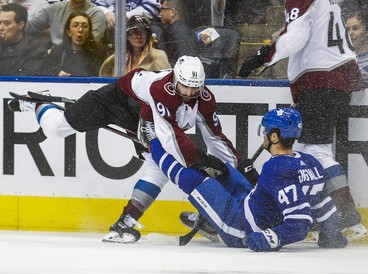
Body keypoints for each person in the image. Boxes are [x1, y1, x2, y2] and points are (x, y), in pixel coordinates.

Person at [8, 55, 255, 244]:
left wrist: (238, 165)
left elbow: (215, 137)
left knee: (158, 169)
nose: (190, 93)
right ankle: (39, 104)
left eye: (195, 88)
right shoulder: (163, 90)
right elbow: (171, 137)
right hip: (113, 101)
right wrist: (200, 160)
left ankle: (125, 222)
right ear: (175, 80)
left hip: (143, 114)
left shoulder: (203, 98)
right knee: (56, 129)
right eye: (185, 87)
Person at [238, 0, 368, 241]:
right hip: (338, 77)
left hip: (321, 79)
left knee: (317, 151)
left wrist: (262, 56)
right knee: (310, 149)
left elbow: (295, 38)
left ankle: (348, 217)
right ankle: (325, 216)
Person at [147, 108, 348, 251]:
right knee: (224, 169)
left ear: (275, 137)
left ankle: (151, 141)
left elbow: (300, 223)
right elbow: (324, 206)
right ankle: (207, 217)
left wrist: (270, 239)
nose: (264, 137)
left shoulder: (277, 167)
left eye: (266, 132)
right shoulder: (311, 161)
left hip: (239, 225)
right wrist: (332, 234)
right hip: (250, 204)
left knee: (194, 180)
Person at [99, 15, 170, 77]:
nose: (138, 36)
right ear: (127, 36)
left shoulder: (158, 56)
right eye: (134, 32)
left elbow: (166, 83)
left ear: (147, 35)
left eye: (142, 32)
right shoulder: (115, 59)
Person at [41, 11, 106, 77]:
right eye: (75, 25)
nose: (80, 30)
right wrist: (57, 72)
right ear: (68, 32)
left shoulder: (99, 53)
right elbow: (46, 72)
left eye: (85, 26)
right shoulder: (58, 51)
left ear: (88, 33)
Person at [24, 0, 106, 48]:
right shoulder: (56, 8)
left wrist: (55, 53)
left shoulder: (96, 13)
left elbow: (91, 45)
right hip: (55, 59)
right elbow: (30, 26)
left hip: (82, 60)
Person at [0, 2, 48, 75]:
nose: (1, 28)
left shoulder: (36, 49)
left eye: (7, 23)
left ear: (20, 25)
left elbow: (23, 80)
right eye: (0, 23)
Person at [159, 0, 197, 66]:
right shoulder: (189, 31)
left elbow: (164, 62)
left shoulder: (167, 34)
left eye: (163, 9)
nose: (160, 14)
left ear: (172, 12)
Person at [346, 11, 368, 84]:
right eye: (347, 30)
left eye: (355, 28)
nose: (350, 33)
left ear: (367, 30)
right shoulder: (342, 58)